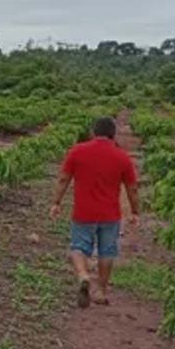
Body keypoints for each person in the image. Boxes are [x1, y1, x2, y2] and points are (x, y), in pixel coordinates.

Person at [50, 116, 140, 308]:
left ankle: (83, 275)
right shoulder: (122, 157)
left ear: (93, 132)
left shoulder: (77, 151)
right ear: (113, 134)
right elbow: (132, 188)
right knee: (107, 252)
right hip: (110, 214)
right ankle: (100, 292)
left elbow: (63, 179)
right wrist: (135, 211)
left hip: (83, 212)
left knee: (78, 248)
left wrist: (56, 202)